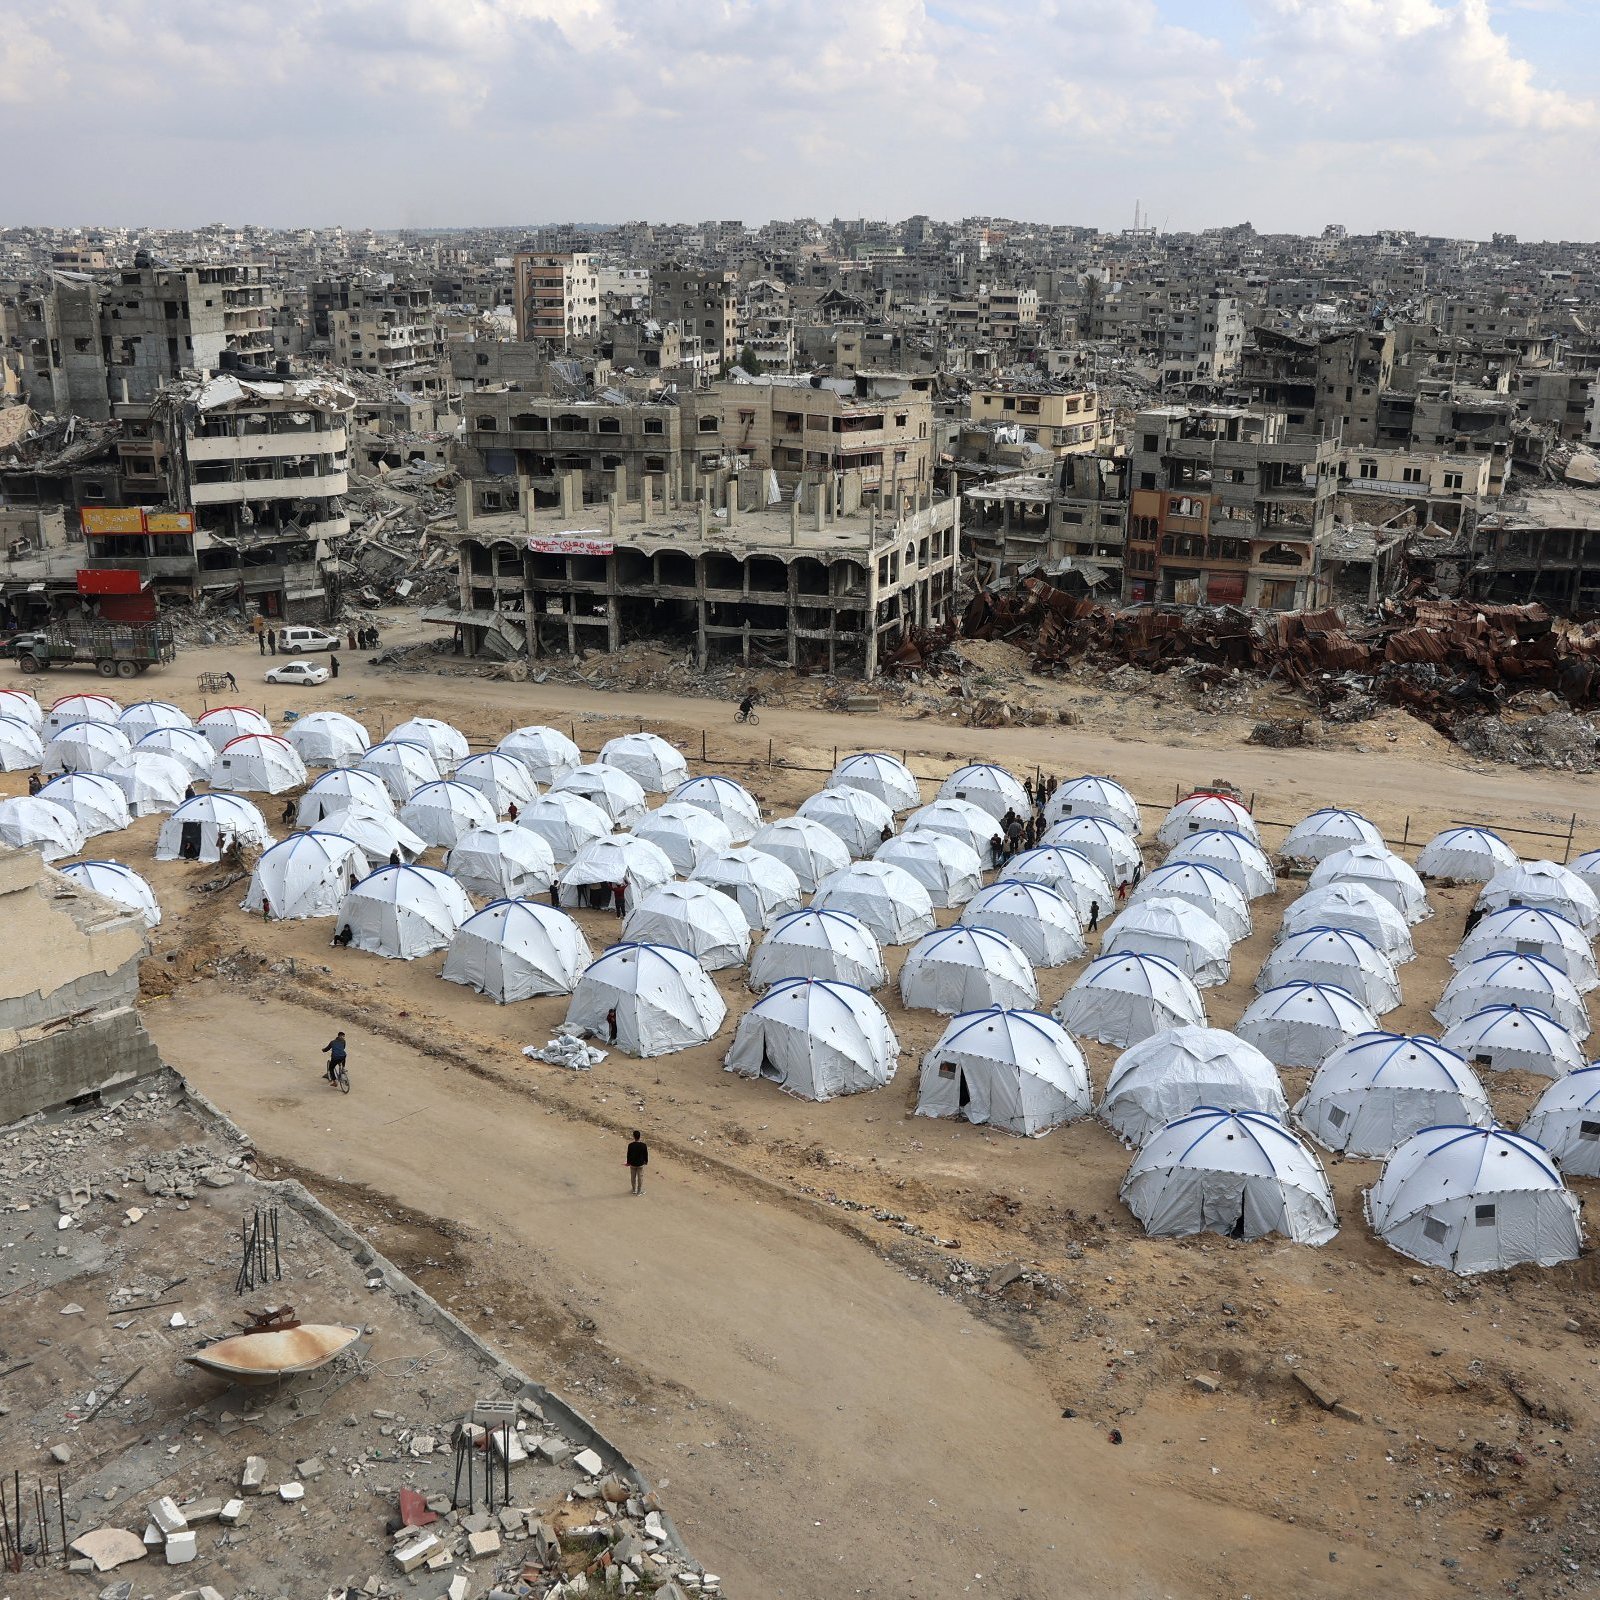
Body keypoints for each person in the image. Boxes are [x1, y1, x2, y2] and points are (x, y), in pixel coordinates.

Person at [625, 1129, 648, 1196]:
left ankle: (634, 1189)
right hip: (640, 1164)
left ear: (633, 1137)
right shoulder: (643, 1145)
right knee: (640, 1177)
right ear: (639, 1137)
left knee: (633, 1177)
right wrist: (646, 1161)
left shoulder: (630, 1145)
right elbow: (645, 1154)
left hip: (632, 1163)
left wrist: (628, 1162)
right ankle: (639, 1191)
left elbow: (628, 1154)